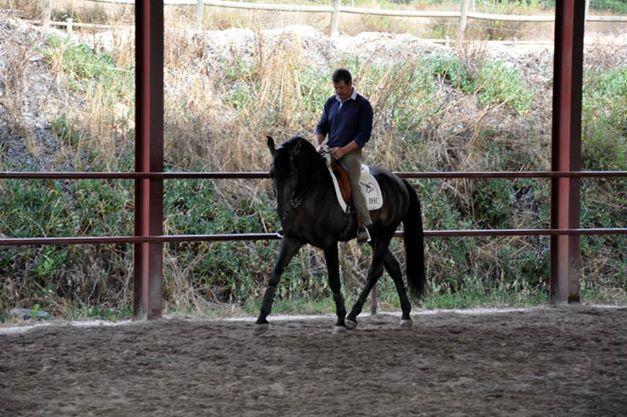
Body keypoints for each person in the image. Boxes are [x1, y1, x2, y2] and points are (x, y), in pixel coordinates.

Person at [315, 68, 374, 243]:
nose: (338, 92)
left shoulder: (363, 105)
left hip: (351, 153)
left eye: (341, 88)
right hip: (330, 150)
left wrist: (343, 151)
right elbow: (321, 127)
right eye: (336, 88)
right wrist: (318, 144)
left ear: (349, 84)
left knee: (352, 181)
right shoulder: (331, 102)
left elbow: (363, 136)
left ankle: (364, 224)